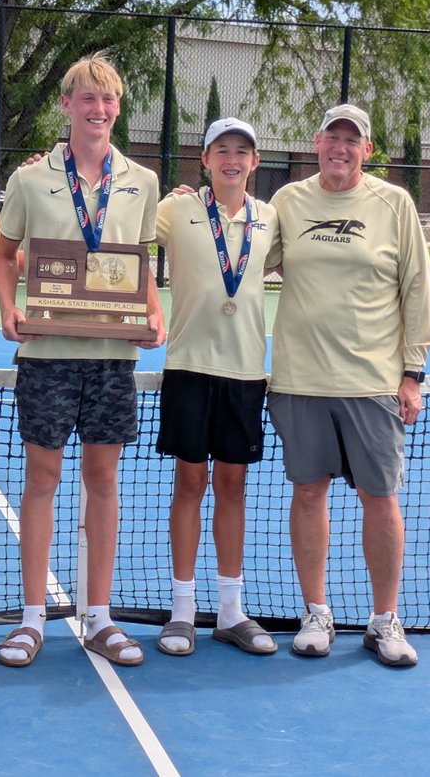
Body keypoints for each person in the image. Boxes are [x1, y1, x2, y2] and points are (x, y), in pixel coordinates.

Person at [0, 52, 165, 668]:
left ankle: (100, 617)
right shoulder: (31, 180)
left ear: (117, 107)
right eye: (87, 98)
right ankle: (32, 617)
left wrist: (154, 314)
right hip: (48, 356)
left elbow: (138, 262)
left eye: (107, 98)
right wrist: (8, 307)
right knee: (42, 480)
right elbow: (2, 255)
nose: (98, 108)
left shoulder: (141, 181)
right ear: (66, 105)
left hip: (112, 358)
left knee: (104, 482)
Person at [267, 103, 430, 666]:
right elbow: (246, 254)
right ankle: (316, 613)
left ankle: (384, 621)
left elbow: (416, 288)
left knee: (379, 499)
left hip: (372, 383)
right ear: (316, 143)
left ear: (367, 149)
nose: (340, 147)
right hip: (300, 379)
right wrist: (199, 204)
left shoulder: (394, 204)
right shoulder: (288, 202)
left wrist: (412, 373)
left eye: (351, 139)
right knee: (308, 493)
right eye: (332, 137)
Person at [153, 118, 281, 656]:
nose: (232, 159)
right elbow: (114, 225)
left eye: (241, 151)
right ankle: (182, 610)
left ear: (254, 162)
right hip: (188, 367)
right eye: (221, 150)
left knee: (232, 487)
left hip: (246, 372)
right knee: (189, 483)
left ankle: (230, 610)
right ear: (204, 160)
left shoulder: (272, 218)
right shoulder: (174, 210)